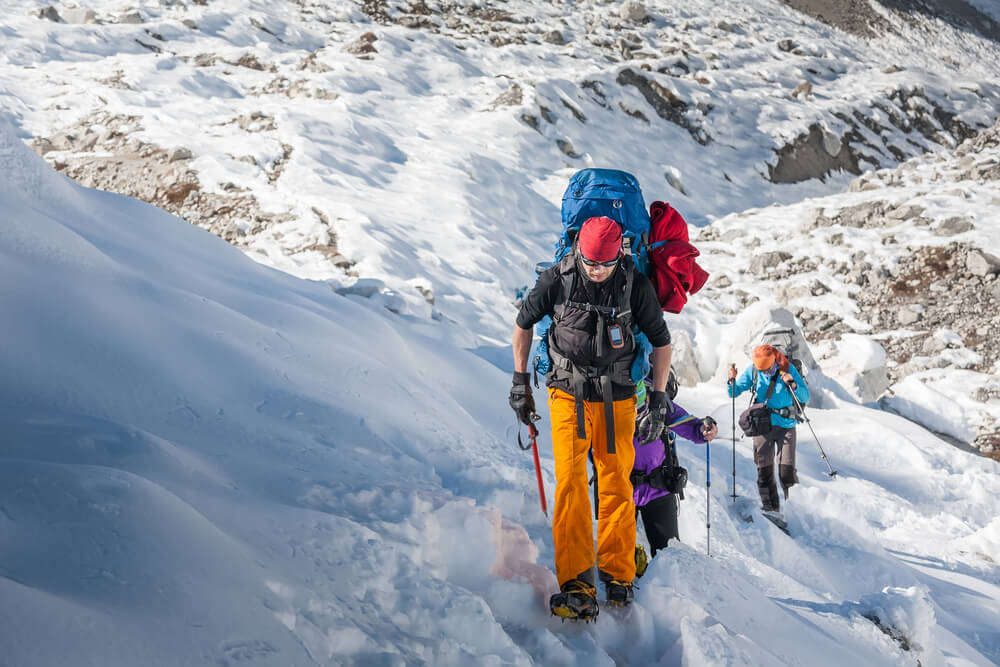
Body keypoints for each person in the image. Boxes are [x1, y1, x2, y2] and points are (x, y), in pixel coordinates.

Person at [510, 215, 672, 620]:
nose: (596, 270)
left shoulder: (635, 283)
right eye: (589, 261)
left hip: (617, 397)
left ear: (619, 254)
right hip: (567, 392)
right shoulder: (558, 277)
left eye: (603, 263)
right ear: (578, 250)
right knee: (570, 482)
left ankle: (618, 576)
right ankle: (577, 583)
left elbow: (661, 341)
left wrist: (657, 398)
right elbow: (523, 323)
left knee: (617, 481)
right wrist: (520, 381)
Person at [631, 377, 718, 562]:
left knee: (668, 557)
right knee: (619, 559)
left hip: (658, 488)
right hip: (622, 490)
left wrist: (704, 429)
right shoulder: (612, 400)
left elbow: (692, 426)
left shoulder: (661, 405)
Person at [727, 345, 810, 514]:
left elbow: (805, 396)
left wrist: (792, 384)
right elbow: (733, 392)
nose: (764, 372)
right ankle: (770, 509)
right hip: (762, 426)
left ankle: (794, 511)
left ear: (773, 362)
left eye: (766, 369)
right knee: (764, 471)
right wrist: (731, 380)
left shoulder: (788, 369)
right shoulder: (754, 371)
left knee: (786, 471)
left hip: (786, 425)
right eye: (760, 369)